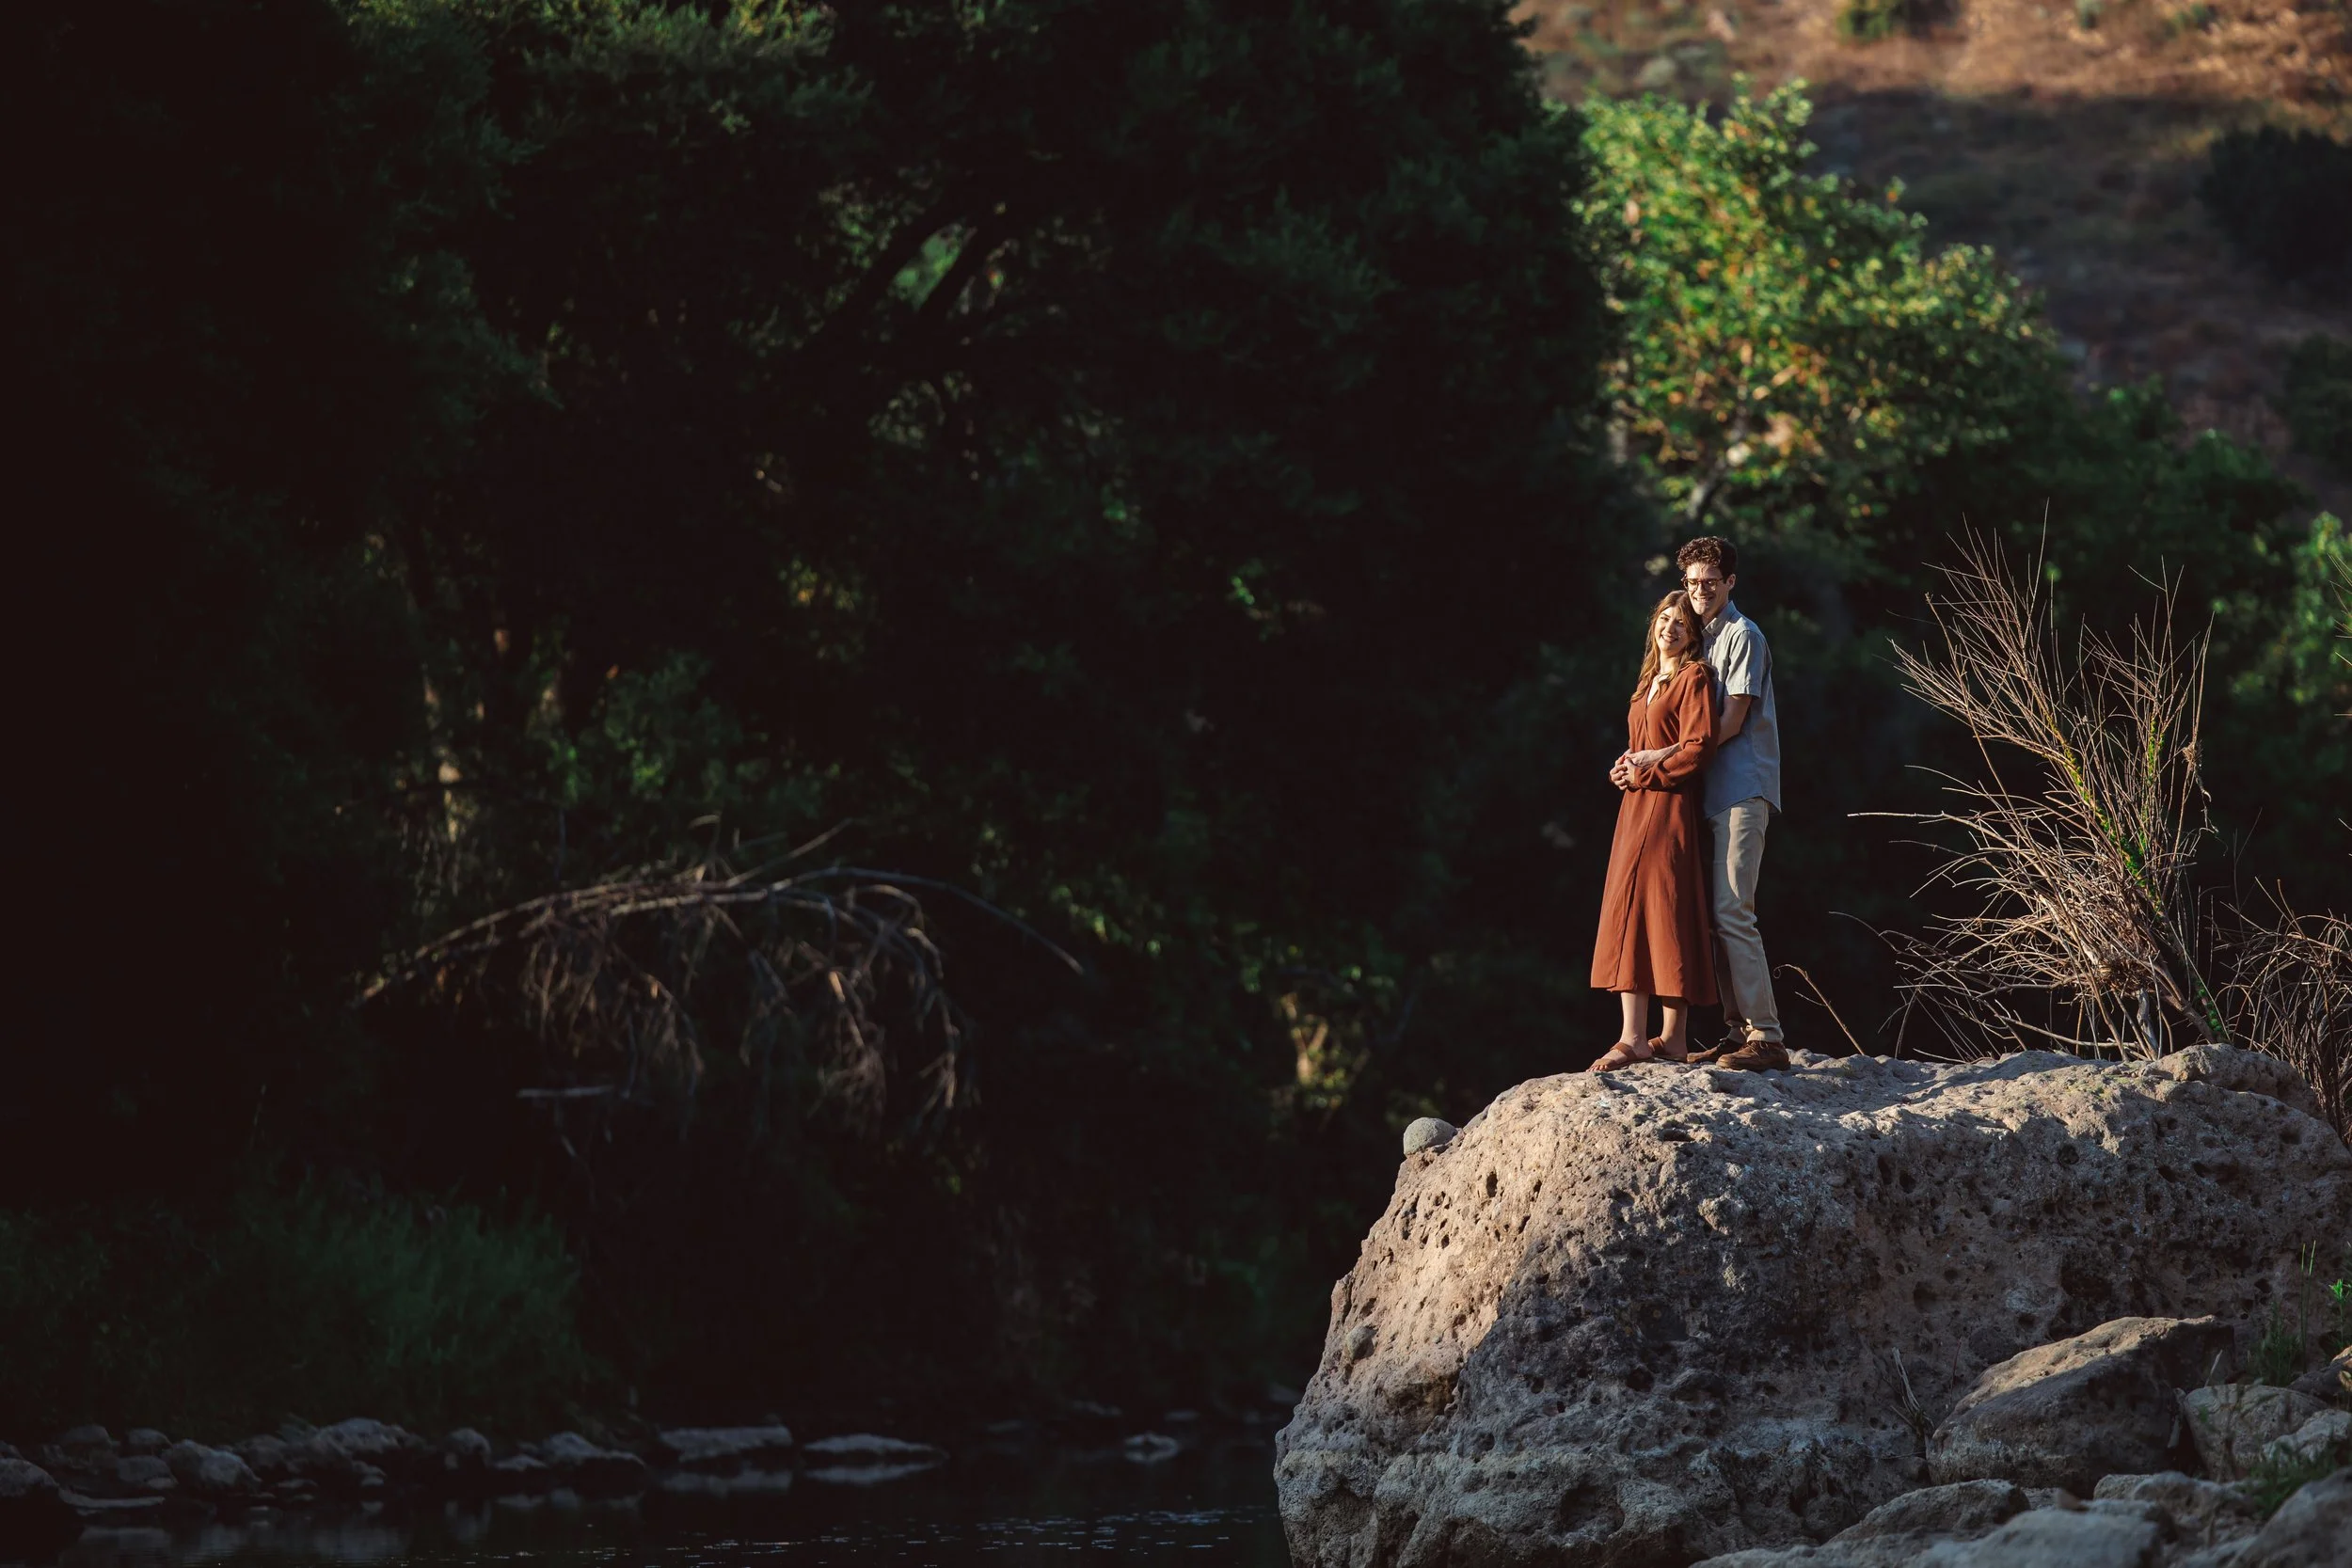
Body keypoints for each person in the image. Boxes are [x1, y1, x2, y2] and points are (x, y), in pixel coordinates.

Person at [1589, 591, 1718, 1069]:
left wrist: (1644, 771)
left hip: (1668, 809)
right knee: (1628, 908)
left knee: (1666, 910)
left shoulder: (1694, 678)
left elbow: (1698, 747)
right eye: (1664, 619)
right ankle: (1636, 1036)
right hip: (1635, 808)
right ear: (1653, 627)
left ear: (1692, 634)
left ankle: (1666, 1038)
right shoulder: (1647, 683)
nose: (1671, 628)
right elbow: (1639, 746)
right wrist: (1622, 769)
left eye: (1681, 622)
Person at [1677, 535, 1787, 1070]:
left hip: (1744, 789)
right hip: (1710, 791)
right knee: (1716, 916)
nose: (1701, 592)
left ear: (1731, 584)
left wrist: (1670, 755)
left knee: (1733, 911)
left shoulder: (1744, 635)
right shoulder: (1698, 639)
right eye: (1693, 584)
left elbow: (1732, 720)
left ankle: (1767, 1036)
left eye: (1711, 584)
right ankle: (1736, 1030)